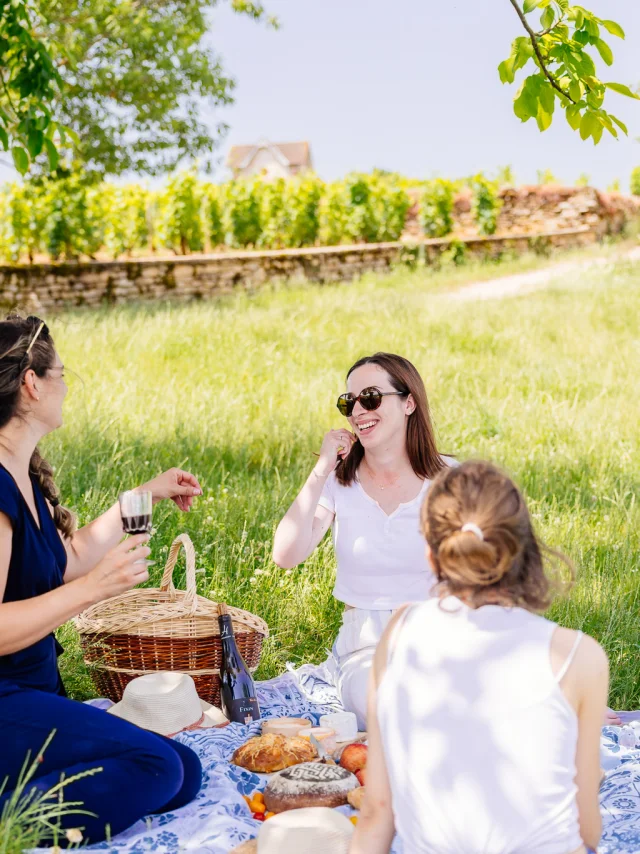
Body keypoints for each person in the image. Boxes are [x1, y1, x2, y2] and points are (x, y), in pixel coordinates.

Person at [0, 315, 204, 846]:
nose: (66, 386)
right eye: (61, 373)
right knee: (156, 767)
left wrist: (144, 495)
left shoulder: (21, 472)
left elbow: (63, 561)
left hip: (31, 692)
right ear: (31, 384)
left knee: (181, 770)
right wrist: (93, 592)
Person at [351, 460, 608, 854]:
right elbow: (587, 829)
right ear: (522, 547)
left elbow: (376, 814)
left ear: (431, 554)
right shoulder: (578, 656)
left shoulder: (400, 632)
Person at [273, 352, 454, 728]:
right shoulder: (340, 481)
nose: (357, 410)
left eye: (370, 397)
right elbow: (285, 555)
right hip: (366, 648)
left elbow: (497, 575)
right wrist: (321, 469)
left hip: (443, 639)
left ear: (409, 402)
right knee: (386, 707)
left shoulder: (454, 478)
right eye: (348, 401)